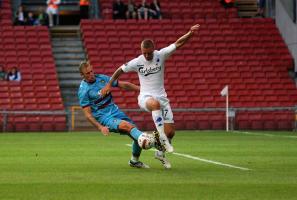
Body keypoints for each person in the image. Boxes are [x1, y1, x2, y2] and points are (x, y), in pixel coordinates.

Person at [101, 24, 200, 169]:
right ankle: (163, 140)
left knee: (170, 132)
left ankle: (160, 152)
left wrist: (190, 33)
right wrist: (110, 84)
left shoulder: (161, 55)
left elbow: (178, 43)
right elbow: (119, 70)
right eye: (144, 53)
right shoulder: (137, 62)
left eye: (149, 53)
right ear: (141, 51)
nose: (147, 55)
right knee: (155, 105)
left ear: (153, 49)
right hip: (145, 97)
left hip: (162, 98)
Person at [78, 61, 164, 169]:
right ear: (82, 75)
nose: (91, 75)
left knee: (134, 132)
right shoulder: (83, 90)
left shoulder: (102, 78)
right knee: (128, 127)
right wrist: (100, 127)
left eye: (91, 71)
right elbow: (88, 115)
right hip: (104, 118)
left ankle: (134, 160)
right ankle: (152, 142)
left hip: (116, 111)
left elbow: (124, 85)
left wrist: (143, 90)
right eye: (87, 73)